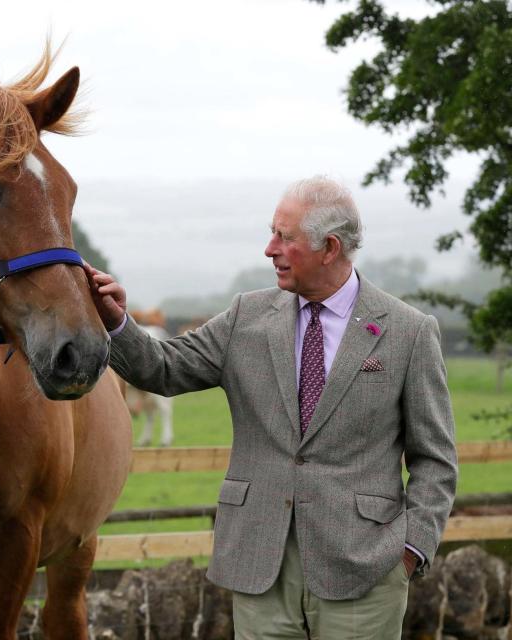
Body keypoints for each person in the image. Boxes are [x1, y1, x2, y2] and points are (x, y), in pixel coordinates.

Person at [88, 176, 457, 639]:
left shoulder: (409, 331)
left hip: (365, 570)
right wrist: (118, 322)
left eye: (285, 237)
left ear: (330, 247)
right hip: (260, 563)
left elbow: (436, 460)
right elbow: (163, 368)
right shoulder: (246, 316)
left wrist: (410, 551)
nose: (269, 248)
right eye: (272, 233)